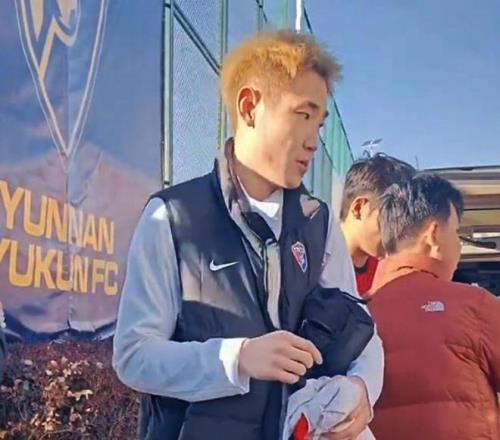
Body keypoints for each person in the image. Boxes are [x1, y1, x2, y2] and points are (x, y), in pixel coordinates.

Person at [113, 30, 383, 440]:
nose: (314, 141)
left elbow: (360, 331)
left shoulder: (318, 222)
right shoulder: (172, 216)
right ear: (249, 106)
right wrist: (238, 358)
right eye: (303, 115)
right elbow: (134, 356)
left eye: (320, 123)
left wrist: (363, 388)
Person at [369, 174, 500, 440]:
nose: (459, 245)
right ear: (433, 234)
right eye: (456, 232)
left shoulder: (357, 312)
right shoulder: (473, 306)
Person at [339, 155, 415, 296]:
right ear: (359, 208)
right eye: (391, 220)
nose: (397, 234)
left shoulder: (384, 274)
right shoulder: (313, 263)